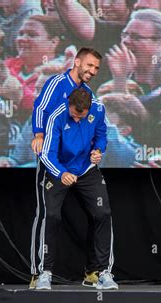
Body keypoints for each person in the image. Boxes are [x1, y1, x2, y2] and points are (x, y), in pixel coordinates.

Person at [29, 47, 102, 290]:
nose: (92, 71)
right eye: (89, 65)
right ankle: (38, 273)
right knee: (46, 214)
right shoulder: (57, 83)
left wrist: (95, 148)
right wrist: (39, 133)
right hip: (52, 158)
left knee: (98, 213)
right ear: (77, 62)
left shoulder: (88, 94)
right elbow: (40, 107)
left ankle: (93, 271)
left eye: (96, 68)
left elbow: (94, 127)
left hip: (78, 165)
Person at [35, 87, 117, 291]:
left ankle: (98, 273)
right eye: (74, 115)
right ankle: (44, 273)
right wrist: (61, 173)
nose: (78, 119)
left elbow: (101, 135)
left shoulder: (98, 109)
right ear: (69, 105)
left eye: (82, 116)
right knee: (51, 216)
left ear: (89, 109)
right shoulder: (57, 116)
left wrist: (98, 150)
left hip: (87, 169)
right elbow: (46, 153)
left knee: (102, 213)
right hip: (58, 169)